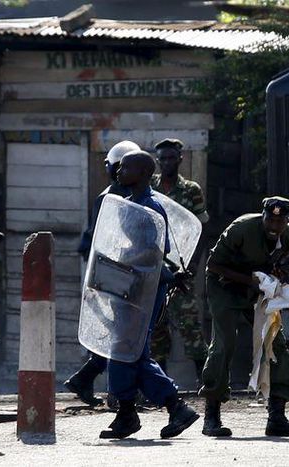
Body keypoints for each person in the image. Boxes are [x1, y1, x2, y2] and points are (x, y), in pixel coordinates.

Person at [101, 150, 199, 440]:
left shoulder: (150, 208)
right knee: (129, 352)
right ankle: (141, 412)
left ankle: (163, 408)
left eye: (127, 166)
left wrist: (165, 276)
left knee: (126, 351)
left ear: (143, 173)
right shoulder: (129, 204)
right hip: (127, 285)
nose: (120, 170)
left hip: (143, 289)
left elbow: (152, 256)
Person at [200, 197, 289, 437]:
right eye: (270, 219)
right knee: (225, 343)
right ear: (263, 216)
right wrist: (252, 280)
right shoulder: (241, 229)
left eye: (280, 220)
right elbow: (213, 266)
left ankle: (277, 416)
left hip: (257, 291)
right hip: (224, 287)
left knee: (276, 345)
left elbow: (275, 264)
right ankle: (212, 415)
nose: (274, 225)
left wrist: (276, 276)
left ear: (287, 221)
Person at [65, 140, 138, 406]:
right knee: (120, 332)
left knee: (119, 332)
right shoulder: (115, 197)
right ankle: (113, 391)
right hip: (113, 272)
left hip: (116, 271)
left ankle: (86, 379)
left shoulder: (122, 194)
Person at [150, 138, 209, 382]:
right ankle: (159, 388)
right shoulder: (149, 186)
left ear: (180, 159)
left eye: (171, 158)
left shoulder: (191, 190)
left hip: (181, 268)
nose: (166, 163)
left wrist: (193, 265)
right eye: (162, 159)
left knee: (190, 327)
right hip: (154, 269)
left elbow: (202, 228)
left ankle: (207, 386)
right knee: (156, 331)